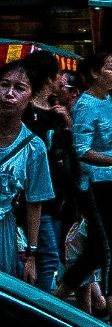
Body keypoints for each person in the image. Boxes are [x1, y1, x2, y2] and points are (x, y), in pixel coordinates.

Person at [61, 52, 112, 319]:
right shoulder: (85, 105)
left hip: (110, 182)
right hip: (92, 184)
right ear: (96, 73)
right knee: (106, 247)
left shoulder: (109, 101)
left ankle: (59, 296)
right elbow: (82, 149)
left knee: (99, 248)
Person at [19, 52, 75, 292]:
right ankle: (40, 311)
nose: (58, 81)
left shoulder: (55, 112)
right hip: (32, 194)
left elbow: (66, 151)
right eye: (56, 76)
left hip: (54, 196)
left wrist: (68, 124)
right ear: (48, 77)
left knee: (49, 254)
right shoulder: (27, 112)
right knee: (48, 255)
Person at [0, 61, 55, 286]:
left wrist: (31, 256)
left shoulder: (34, 147)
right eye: (4, 85)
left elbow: (35, 203)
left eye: (20, 88)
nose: (9, 93)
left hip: (4, 232)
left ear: (31, 98)